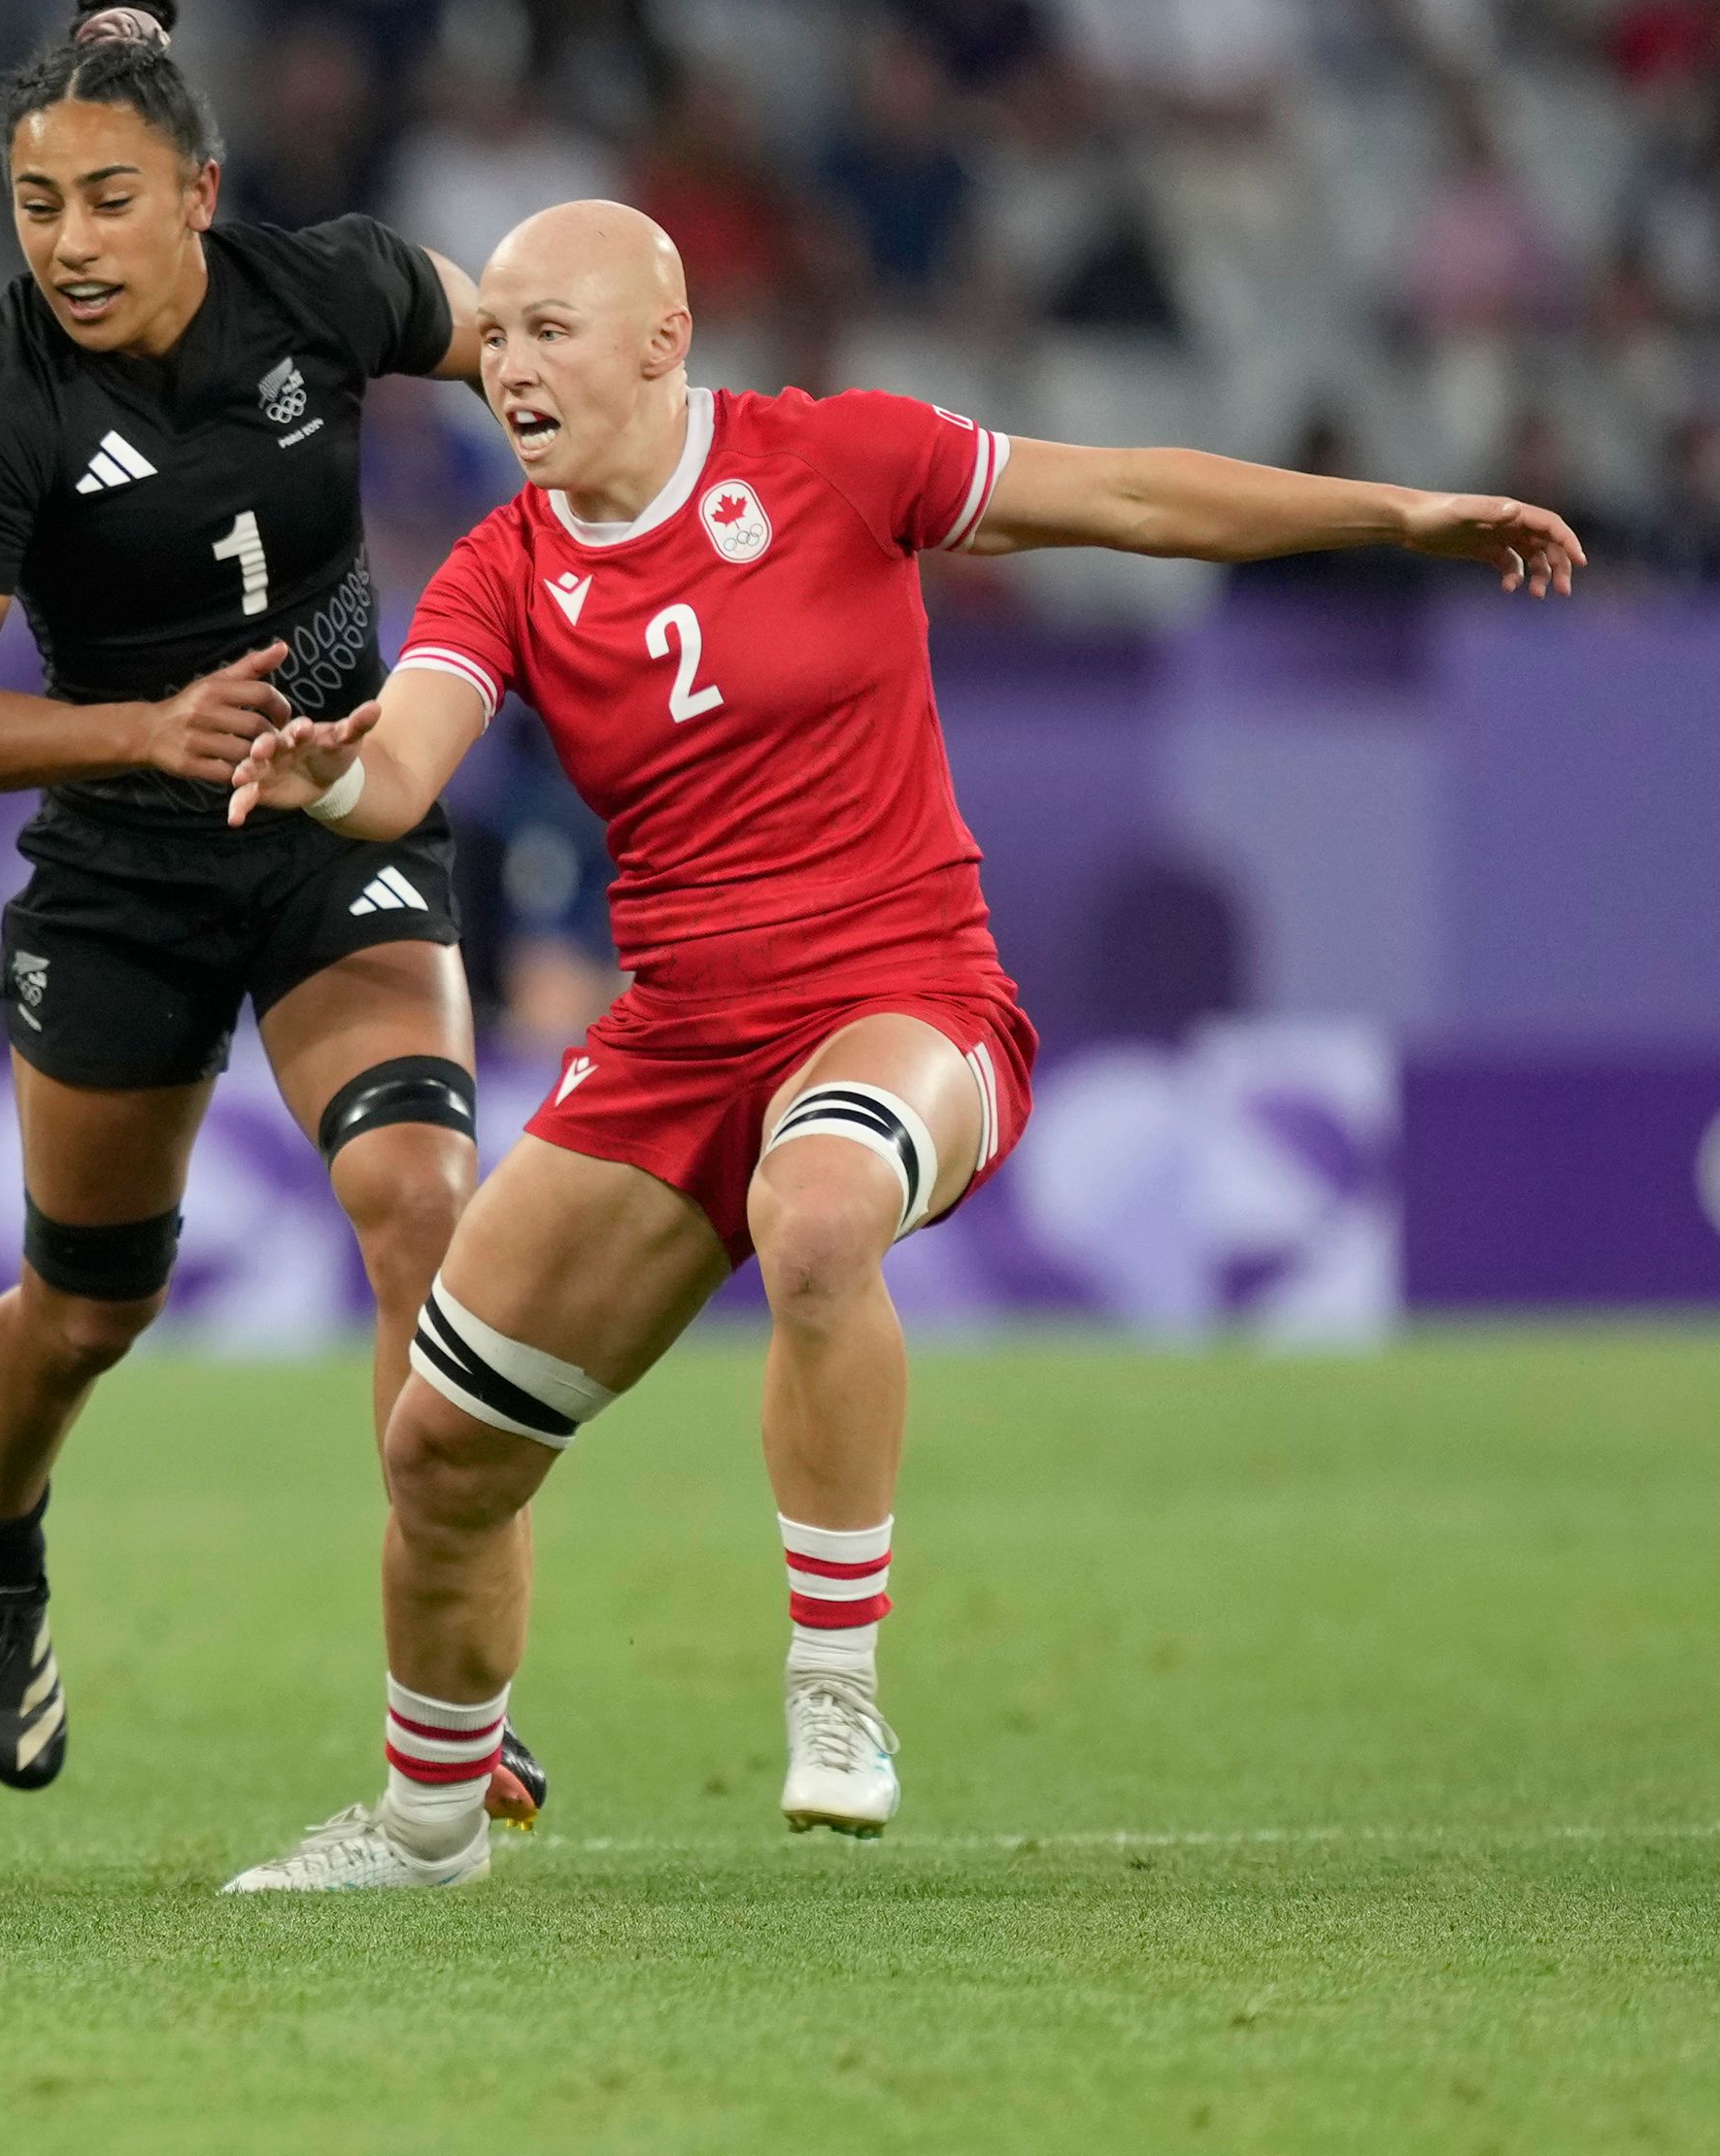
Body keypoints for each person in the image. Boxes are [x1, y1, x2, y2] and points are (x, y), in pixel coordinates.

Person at [214, 200, 1581, 1890]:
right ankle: (427, 1833)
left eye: (548, 329)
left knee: (819, 1216)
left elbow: (1135, 497)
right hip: (676, 1038)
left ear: (663, 338)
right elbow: (404, 769)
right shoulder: (508, 568)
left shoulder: (846, 459)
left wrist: (1397, 513)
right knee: (439, 1448)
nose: (509, 364)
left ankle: (838, 1693)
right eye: (493, 337)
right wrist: (323, 777)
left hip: (904, 992)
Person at [0, 0, 535, 1806]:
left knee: (421, 1199)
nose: (69, 242)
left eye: (105, 199)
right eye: (34, 206)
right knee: (90, 1308)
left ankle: (447, 1663)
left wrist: (603, 486)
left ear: (200, 192)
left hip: (339, 822)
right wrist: (133, 730)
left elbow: (515, 347)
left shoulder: (330, 288)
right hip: (126, 870)